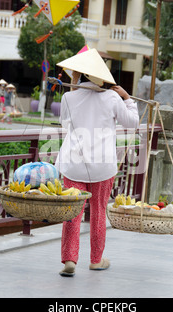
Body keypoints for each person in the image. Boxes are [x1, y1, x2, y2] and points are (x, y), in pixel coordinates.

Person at [55, 48, 139, 277]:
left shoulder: (68, 97)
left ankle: (70, 260)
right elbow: (132, 122)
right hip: (102, 165)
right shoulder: (112, 97)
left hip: (74, 164)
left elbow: (64, 121)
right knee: (99, 211)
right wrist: (128, 98)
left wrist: (73, 86)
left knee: (72, 211)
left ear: (78, 75)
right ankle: (96, 259)